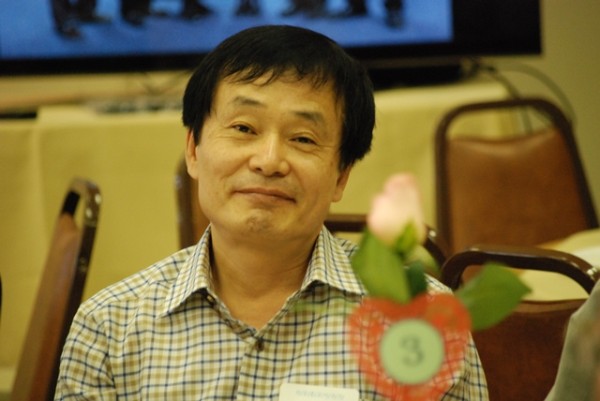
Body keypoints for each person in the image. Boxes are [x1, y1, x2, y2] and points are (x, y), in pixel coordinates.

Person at [54, 25, 488, 400]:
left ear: (341, 176)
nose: (269, 160)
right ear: (193, 150)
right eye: (244, 128)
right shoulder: (109, 328)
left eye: (303, 139)